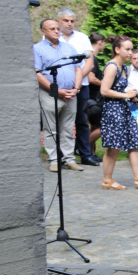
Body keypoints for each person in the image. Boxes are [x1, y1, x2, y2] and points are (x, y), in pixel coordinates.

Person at [98, 35, 138, 190]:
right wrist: (125, 95)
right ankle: (107, 180)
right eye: (127, 49)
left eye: (131, 49)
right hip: (112, 110)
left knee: (136, 141)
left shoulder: (123, 67)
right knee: (114, 146)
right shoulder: (112, 66)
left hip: (123, 108)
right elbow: (104, 90)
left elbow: (118, 89)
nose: (131, 53)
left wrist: (133, 97)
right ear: (117, 50)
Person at [34, 18, 83, 172]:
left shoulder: (69, 48)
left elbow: (78, 69)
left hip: (71, 94)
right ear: (43, 31)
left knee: (68, 128)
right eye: (52, 29)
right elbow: (37, 73)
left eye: (57, 28)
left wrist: (76, 88)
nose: (56, 31)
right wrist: (56, 91)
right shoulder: (37, 49)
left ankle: (68, 159)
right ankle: (54, 159)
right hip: (50, 94)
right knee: (51, 128)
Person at [58, 9, 100, 166]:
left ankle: (85, 154)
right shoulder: (54, 37)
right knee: (60, 122)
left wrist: (75, 81)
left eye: (72, 21)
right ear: (59, 21)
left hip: (81, 86)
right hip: (61, 87)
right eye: (66, 20)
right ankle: (62, 156)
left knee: (82, 121)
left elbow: (89, 62)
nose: (69, 23)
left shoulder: (82, 37)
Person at [85, 33, 106, 149]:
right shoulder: (92, 57)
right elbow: (91, 78)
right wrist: (106, 84)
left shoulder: (91, 56)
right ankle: (81, 146)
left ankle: (90, 153)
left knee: (94, 127)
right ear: (100, 42)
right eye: (104, 43)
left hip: (92, 99)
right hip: (93, 99)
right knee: (102, 127)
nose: (104, 46)